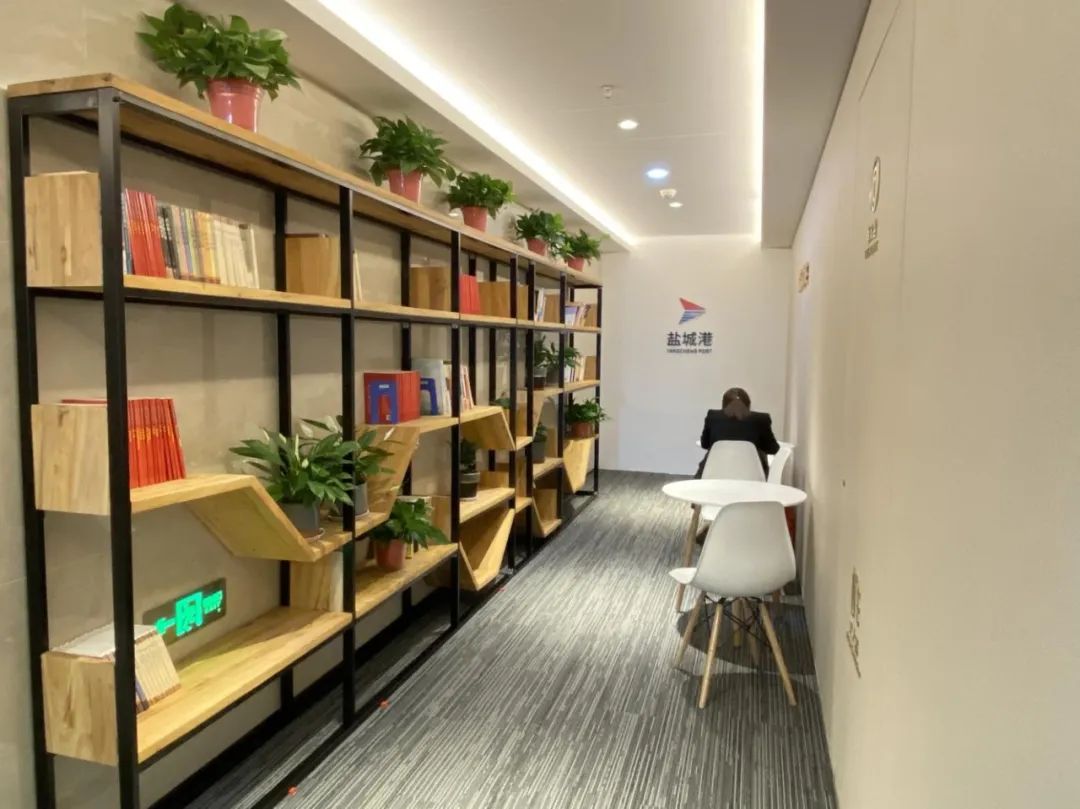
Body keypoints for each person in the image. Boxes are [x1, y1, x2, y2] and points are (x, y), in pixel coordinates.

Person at [696, 387, 780, 477]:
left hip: (714, 473)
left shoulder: (713, 416)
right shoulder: (762, 419)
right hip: (753, 476)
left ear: (724, 404)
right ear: (748, 404)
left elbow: (705, 444)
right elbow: (773, 449)